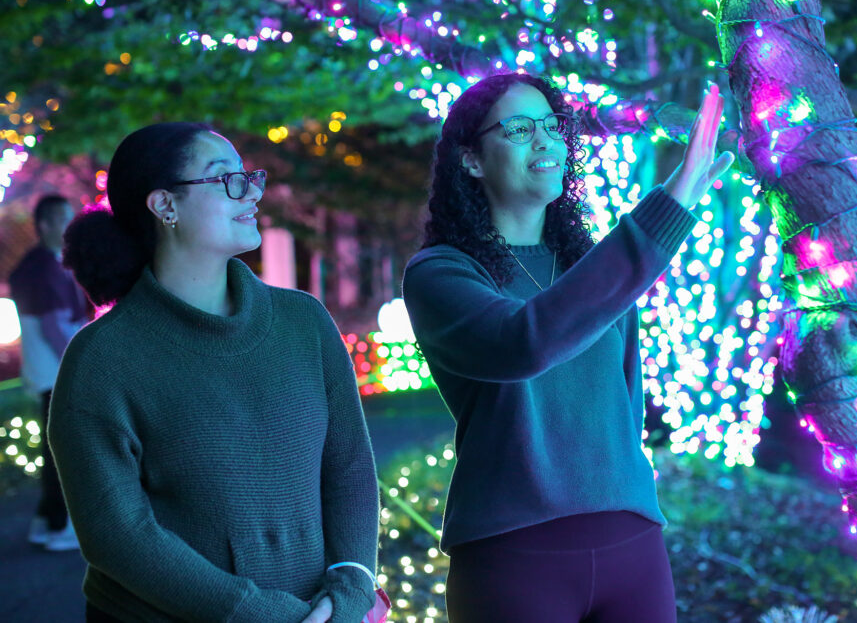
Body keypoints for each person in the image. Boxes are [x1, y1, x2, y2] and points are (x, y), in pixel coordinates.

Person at [402, 73, 733, 622]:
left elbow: (626, 401)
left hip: (633, 545)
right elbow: (523, 343)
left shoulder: (592, 268)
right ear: (472, 161)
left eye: (552, 125)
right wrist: (669, 206)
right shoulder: (441, 273)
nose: (545, 140)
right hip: (513, 554)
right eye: (519, 128)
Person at [48, 122, 379, 623]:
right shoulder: (101, 359)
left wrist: (352, 585)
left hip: (323, 612)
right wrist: (260, 614)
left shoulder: (303, 321)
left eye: (250, 177)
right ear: (165, 206)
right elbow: (116, 535)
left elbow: (349, 466)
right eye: (226, 179)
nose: (251, 193)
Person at [9, 194, 88, 551]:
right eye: (62, 219)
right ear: (44, 225)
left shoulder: (39, 264)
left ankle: (46, 522)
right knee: (63, 450)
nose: (69, 226)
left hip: (47, 372)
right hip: (57, 372)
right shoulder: (43, 268)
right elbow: (53, 327)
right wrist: (81, 362)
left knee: (53, 448)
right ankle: (60, 526)